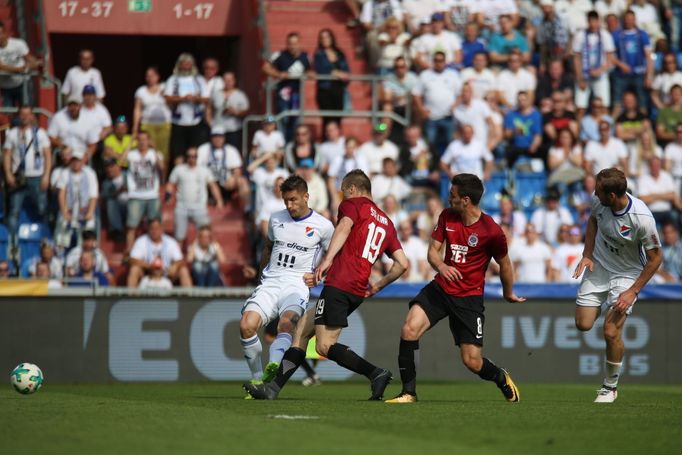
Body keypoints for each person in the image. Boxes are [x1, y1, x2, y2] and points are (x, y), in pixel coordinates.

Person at [245, 170, 409, 400]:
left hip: (341, 282)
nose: (342, 197)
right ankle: (271, 389)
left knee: (324, 345)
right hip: (357, 286)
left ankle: (376, 373)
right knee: (301, 331)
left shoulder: (354, 204)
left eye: (343, 192)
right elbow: (402, 264)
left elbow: (343, 227)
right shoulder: (387, 223)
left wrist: (328, 260)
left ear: (352, 188)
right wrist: (377, 286)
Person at [385, 173, 524, 403]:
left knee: (472, 361)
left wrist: (508, 292)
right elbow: (432, 252)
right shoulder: (447, 216)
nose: (449, 198)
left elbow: (505, 264)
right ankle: (408, 393)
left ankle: (501, 377)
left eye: (453, 195)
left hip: (468, 299)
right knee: (409, 329)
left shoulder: (491, 230)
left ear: (466, 200)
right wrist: (441, 266)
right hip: (441, 289)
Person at [572, 168, 662, 402]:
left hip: (627, 274)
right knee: (583, 324)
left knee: (610, 331)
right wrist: (587, 253)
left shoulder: (642, 219)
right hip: (599, 266)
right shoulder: (598, 202)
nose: (594, 194)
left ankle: (609, 387)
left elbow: (655, 258)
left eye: (598, 192)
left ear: (612, 196)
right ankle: (607, 305)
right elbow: (592, 220)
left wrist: (632, 291)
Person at [239, 175, 334, 390]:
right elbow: (268, 247)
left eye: (293, 200)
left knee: (286, 324)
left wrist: (320, 275)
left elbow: (335, 257)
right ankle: (257, 379)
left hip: (297, 285)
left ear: (306, 196)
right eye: (286, 201)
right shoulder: (275, 219)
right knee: (246, 326)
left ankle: (273, 367)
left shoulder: (323, 226)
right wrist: (259, 276)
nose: (289, 205)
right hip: (270, 283)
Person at [3, 105, 51, 240]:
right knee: (14, 210)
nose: (25, 117)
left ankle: (46, 238)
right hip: (19, 178)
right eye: (22, 114)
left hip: (36, 176)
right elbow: (7, 155)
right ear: (19, 116)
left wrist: (46, 175)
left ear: (32, 116)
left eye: (27, 114)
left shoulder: (40, 133)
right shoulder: (13, 134)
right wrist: (8, 174)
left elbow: (47, 155)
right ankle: (13, 241)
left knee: (43, 208)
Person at [166, 147, 224, 243]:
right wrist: (168, 195)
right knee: (179, 237)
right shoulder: (179, 169)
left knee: (206, 234)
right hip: (182, 207)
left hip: (199, 207)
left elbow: (213, 185)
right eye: (189, 156)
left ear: (197, 157)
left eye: (194, 156)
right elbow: (170, 184)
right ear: (186, 157)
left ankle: (207, 256)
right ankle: (178, 257)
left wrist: (219, 200)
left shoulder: (204, 170)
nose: (192, 158)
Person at [262, 32, 312, 142]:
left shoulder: (305, 56)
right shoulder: (280, 55)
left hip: (297, 94)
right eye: (290, 43)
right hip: (283, 95)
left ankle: (292, 145)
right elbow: (265, 67)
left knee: (295, 120)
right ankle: (282, 144)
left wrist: (309, 74)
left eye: (295, 43)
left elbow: (312, 71)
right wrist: (278, 74)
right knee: (283, 120)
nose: (292, 46)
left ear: (299, 43)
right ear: (287, 44)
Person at [412, 51, 461, 156]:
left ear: (445, 62)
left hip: (448, 116)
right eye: (436, 60)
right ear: (433, 61)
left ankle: (451, 167)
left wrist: (455, 105)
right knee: (430, 143)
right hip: (431, 117)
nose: (439, 63)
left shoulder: (453, 74)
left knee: (451, 144)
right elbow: (416, 94)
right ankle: (431, 166)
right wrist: (421, 109)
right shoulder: (425, 75)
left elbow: (460, 93)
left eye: (441, 60)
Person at [164, 53, 209, 166]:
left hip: (196, 121)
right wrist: (182, 99)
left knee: (195, 151)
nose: (186, 67)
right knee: (178, 153)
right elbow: (168, 98)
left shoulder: (199, 80)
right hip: (178, 122)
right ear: (179, 65)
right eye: (184, 64)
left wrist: (195, 99)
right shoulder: (173, 80)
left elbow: (206, 99)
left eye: (189, 64)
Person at [125, 130, 165, 251]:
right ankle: (130, 252)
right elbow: (120, 160)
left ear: (149, 140)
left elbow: (162, 168)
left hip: (152, 195)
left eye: (144, 139)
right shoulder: (131, 154)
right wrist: (130, 142)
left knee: (155, 225)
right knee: (131, 226)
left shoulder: (155, 154)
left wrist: (155, 149)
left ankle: (155, 251)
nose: (142, 142)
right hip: (135, 195)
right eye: (140, 139)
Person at [572, 11, 616, 116]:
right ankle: (579, 131)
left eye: (595, 21)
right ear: (587, 22)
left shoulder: (605, 35)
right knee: (580, 107)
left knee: (604, 106)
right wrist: (579, 78)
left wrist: (600, 71)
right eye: (591, 21)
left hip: (600, 76)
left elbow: (611, 58)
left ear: (599, 21)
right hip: (584, 75)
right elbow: (576, 58)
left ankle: (605, 130)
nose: (593, 24)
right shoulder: (580, 35)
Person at [54, 149, 98, 251]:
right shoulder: (65, 173)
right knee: (62, 235)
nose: (75, 163)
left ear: (83, 161)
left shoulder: (90, 173)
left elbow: (93, 194)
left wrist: (90, 212)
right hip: (69, 208)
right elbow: (62, 193)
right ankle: (60, 254)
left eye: (78, 160)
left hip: (84, 210)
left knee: (87, 235)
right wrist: (64, 212)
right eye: (73, 160)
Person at [610, 10, 652, 115]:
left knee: (642, 103)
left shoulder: (642, 35)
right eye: (626, 19)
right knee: (617, 103)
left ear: (634, 20)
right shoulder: (616, 35)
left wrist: (649, 76)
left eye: (631, 19)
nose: (629, 21)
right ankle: (614, 127)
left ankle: (644, 124)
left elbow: (648, 56)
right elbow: (609, 56)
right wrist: (620, 64)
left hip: (639, 74)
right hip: (621, 75)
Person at [128, 219, 192, 288]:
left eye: (157, 228)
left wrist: (175, 265)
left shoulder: (170, 242)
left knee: (183, 270)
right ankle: (132, 296)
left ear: (162, 229)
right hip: (148, 273)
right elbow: (132, 259)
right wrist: (149, 266)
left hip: (166, 273)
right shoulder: (141, 241)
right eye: (152, 228)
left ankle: (189, 297)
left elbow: (181, 260)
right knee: (134, 269)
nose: (154, 231)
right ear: (148, 230)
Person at [197, 126, 250, 208]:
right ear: (211, 137)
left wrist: (234, 178)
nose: (218, 139)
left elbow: (237, 170)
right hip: (208, 184)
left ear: (224, 137)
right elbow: (196, 168)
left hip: (226, 183)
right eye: (215, 136)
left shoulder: (231, 150)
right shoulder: (203, 149)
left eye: (220, 136)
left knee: (242, 181)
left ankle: (247, 209)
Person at [132, 66, 172, 163]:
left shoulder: (165, 87)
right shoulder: (141, 91)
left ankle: (163, 177)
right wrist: (135, 126)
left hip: (164, 125)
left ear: (158, 76)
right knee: (149, 150)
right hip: (147, 125)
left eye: (152, 75)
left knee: (163, 153)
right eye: (148, 76)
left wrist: (166, 96)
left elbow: (173, 102)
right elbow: (137, 109)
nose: (150, 78)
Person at [314, 28, 350, 128]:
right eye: (322, 37)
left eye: (327, 36)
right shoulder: (319, 54)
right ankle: (325, 142)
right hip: (325, 90)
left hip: (338, 90)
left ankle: (336, 142)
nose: (325, 39)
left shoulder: (339, 53)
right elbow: (320, 69)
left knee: (338, 119)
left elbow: (346, 70)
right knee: (328, 120)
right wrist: (334, 72)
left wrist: (343, 74)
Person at [0, 21, 41, 107]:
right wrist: (18, 69)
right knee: (8, 113)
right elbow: (1, 67)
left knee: (26, 109)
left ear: (4, 33)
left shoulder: (18, 44)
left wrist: (36, 63)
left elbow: (29, 58)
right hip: (5, 87)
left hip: (22, 83)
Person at [206, 71, 249, 151]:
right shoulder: (216, 94)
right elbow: (209, 108)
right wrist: (210, 123)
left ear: (234, 81)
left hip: (234, 130)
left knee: (233, 152)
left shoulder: (240, 95)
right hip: (218, 130)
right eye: (226, 80)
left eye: (230, 80)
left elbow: (246, 112)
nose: (228, 82)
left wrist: (236, 112)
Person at [503, 91, 543, 167]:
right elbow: (507, 134)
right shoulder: (511, 114)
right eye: (519, 100)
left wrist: (534, 146)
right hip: (515, 147)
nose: (522, 102)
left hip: (530, 146)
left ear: (529, 100)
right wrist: (514, 132)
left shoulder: (536, 115)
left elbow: (538, 134)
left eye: (524, 100)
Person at [100, 159, 127, 241]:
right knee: (111, 202)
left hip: (132, 204)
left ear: (118, 166)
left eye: (111, 166)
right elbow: (104, 197)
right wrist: (118, 191)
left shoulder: (129, 176)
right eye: (107, 167)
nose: (109, 169)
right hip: (118, 207)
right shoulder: (106, 183)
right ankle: (117, 231)